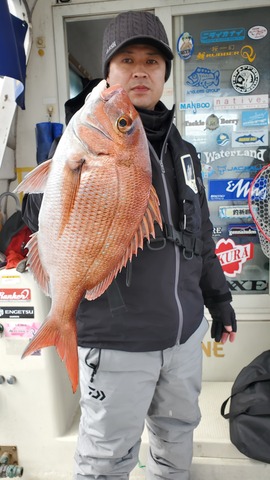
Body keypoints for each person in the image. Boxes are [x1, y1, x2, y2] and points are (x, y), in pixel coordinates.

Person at [22, 10, 237, 480]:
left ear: (164, 75)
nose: (140, 70)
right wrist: (59, 174)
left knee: (177, 436)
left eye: (152, 62)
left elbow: (199, 235)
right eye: (126, 60)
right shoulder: (76, 140)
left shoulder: (186, 152)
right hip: (116, 340)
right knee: (107, 456)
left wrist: (219, 302)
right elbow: (36, 217)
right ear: (107, 74)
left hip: (182, 338)